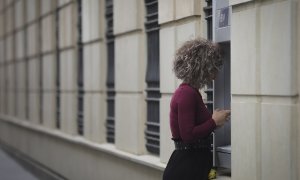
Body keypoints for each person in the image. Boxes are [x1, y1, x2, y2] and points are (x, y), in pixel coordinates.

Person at [163, 38, 231, 180]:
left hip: (193, 164)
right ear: (202, 66)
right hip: (187, 168)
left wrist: (216, 119)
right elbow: (188, 135)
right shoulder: (186, 93)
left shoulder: (191, 92)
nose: (216, 74)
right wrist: (213, 121)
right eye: (214, 67)